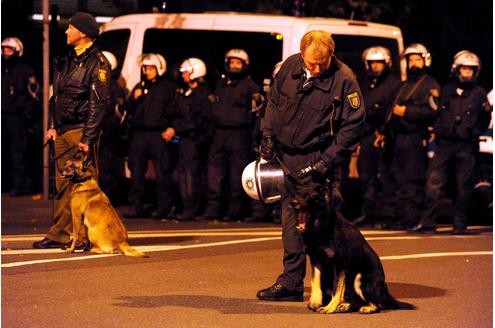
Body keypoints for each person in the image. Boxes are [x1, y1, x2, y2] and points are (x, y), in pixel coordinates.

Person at [256, 30, 365, 301]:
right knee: (291, 222)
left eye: (321, 63)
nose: (315, 69)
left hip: (319, 159)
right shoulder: (292, 65)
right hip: (288, 157)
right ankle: (291, 284)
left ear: (331, 55)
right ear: (302, 54)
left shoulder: (344, 79)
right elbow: (274, 103)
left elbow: (353, 125)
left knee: (327, 227)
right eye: (310, 63)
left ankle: (333, 288)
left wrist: (326, 161)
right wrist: (268, 135)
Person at [33, 12, 111, 249]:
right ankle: (60, 234)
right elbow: (56, 98)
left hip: (80, 132)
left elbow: (98, 105)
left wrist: (88, 138)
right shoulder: (66, 59)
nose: (66, 31)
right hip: (63, 131)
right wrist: (53, 127)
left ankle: (87, 237)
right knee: (62, 185)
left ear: (83, 33)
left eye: (71, 28)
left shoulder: (98, 64)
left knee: (85, 188)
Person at [409, 50, 491, 234]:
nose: (467, 72)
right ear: (456, 69)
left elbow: (485, 118)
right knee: (433, 181)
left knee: (464, 185)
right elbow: (436, 112)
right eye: (464, 69)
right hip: (445, 144)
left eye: (471, 69)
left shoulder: (479, 93)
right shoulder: (446, 90)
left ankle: (460, 224)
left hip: (466, 145)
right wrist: (438, 129)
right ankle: (428, 222)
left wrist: (474, 132)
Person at [374, 43, 440, 230]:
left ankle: (413, 218)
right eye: (410, 60)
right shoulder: (403, 85)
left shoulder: (430, 85)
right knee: (398, 179)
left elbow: (432, 112)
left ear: (425, 61)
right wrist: (383, 133)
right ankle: (401, 217)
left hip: (415, 137)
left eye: (417, 59)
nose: (413, 63)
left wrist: (407, 112)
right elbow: (391, 111)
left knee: (413, 180)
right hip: (397, 138)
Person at [197, 49, 262, 221]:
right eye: (231, 62)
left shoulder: (251, 87)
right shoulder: (221, 84)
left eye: (238, 63)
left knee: (236, 176)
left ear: (244, 65)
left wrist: (254, 138)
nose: (234, 66)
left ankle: (235, 212)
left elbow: (257, 114)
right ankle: (213, 210)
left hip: (239, 136)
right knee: (214, 175)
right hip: (219, 134)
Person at [122, 53, 176, 220]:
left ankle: (164, 207)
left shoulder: (168, 87)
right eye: (145, 68)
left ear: (159, 68)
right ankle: (135, 206)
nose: (147, 71)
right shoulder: (140, 86)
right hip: (140, 134)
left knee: (162, 172)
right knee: (137, 171)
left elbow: (175, 109)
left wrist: (172, 127)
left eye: (151, 68)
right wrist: (133, 98)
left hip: (158, 134)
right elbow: (126, 107)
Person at [351, 46, 400, 228]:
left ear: (387, 64)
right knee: (367, 176)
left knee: (387, 177)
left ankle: (390, 216)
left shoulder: (395, 84)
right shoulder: (365, 86)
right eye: (373, 63)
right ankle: (368, 214)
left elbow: (391, 111)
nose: (376, 67)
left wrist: (384, 131)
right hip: (366, 136)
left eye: (379, 63)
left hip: (386, 135)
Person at [164, 57, 212, 221]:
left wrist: (176, 128)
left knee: (192, 175)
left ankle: (192, 208)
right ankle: (185, 206)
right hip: (184, 139)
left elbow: (198, 120)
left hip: (195, 140)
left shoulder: (203, 94)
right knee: (183, 174)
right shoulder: (184, 92)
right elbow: (174, 113)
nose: (183, 74)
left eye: (186, 71)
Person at [1, 37, 41, 196]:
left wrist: (26, 115)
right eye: (4, 49)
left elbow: (35, 95)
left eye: (9, 49)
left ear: (17, 51)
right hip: (3, 117)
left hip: (18, 118)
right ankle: (6, 183)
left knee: (18, 152)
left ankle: (21, 184)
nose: (5, 52)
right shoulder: (3, 70)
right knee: (4, 151)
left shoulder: (26, 71)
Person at [97, 51, 129, 204]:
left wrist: (105, 130)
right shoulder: (96, 85)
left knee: (108, 169)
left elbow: (118, 116)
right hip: (96, 134)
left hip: (108, 136)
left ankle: (108, 199)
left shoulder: (115, 89)